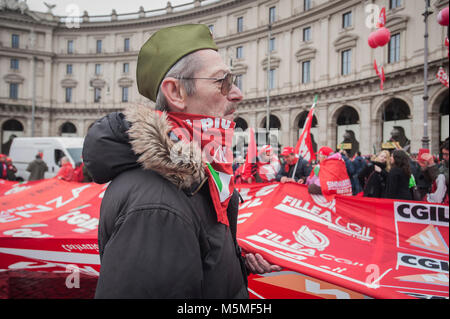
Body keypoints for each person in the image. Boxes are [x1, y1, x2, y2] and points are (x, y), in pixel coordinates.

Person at [83, 24, 280, 299]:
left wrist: (237, 265)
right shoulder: (156, 207)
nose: (237, 94)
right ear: (176, 92)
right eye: (222, 82)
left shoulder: (200, 176)